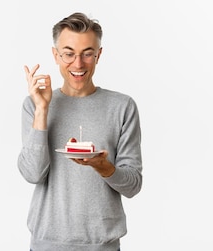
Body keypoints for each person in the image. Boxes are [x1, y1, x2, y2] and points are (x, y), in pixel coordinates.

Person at [17, 12, 143, 251]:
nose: (78, 64)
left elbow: (133, 185)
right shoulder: (33, 105)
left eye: (87, 54)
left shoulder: (122, 107)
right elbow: (33, 174)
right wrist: (43, 110)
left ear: (99, 55)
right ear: (56, 55)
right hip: (46, 244)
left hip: (102, 245)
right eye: (68, 54)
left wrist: (103, 166)